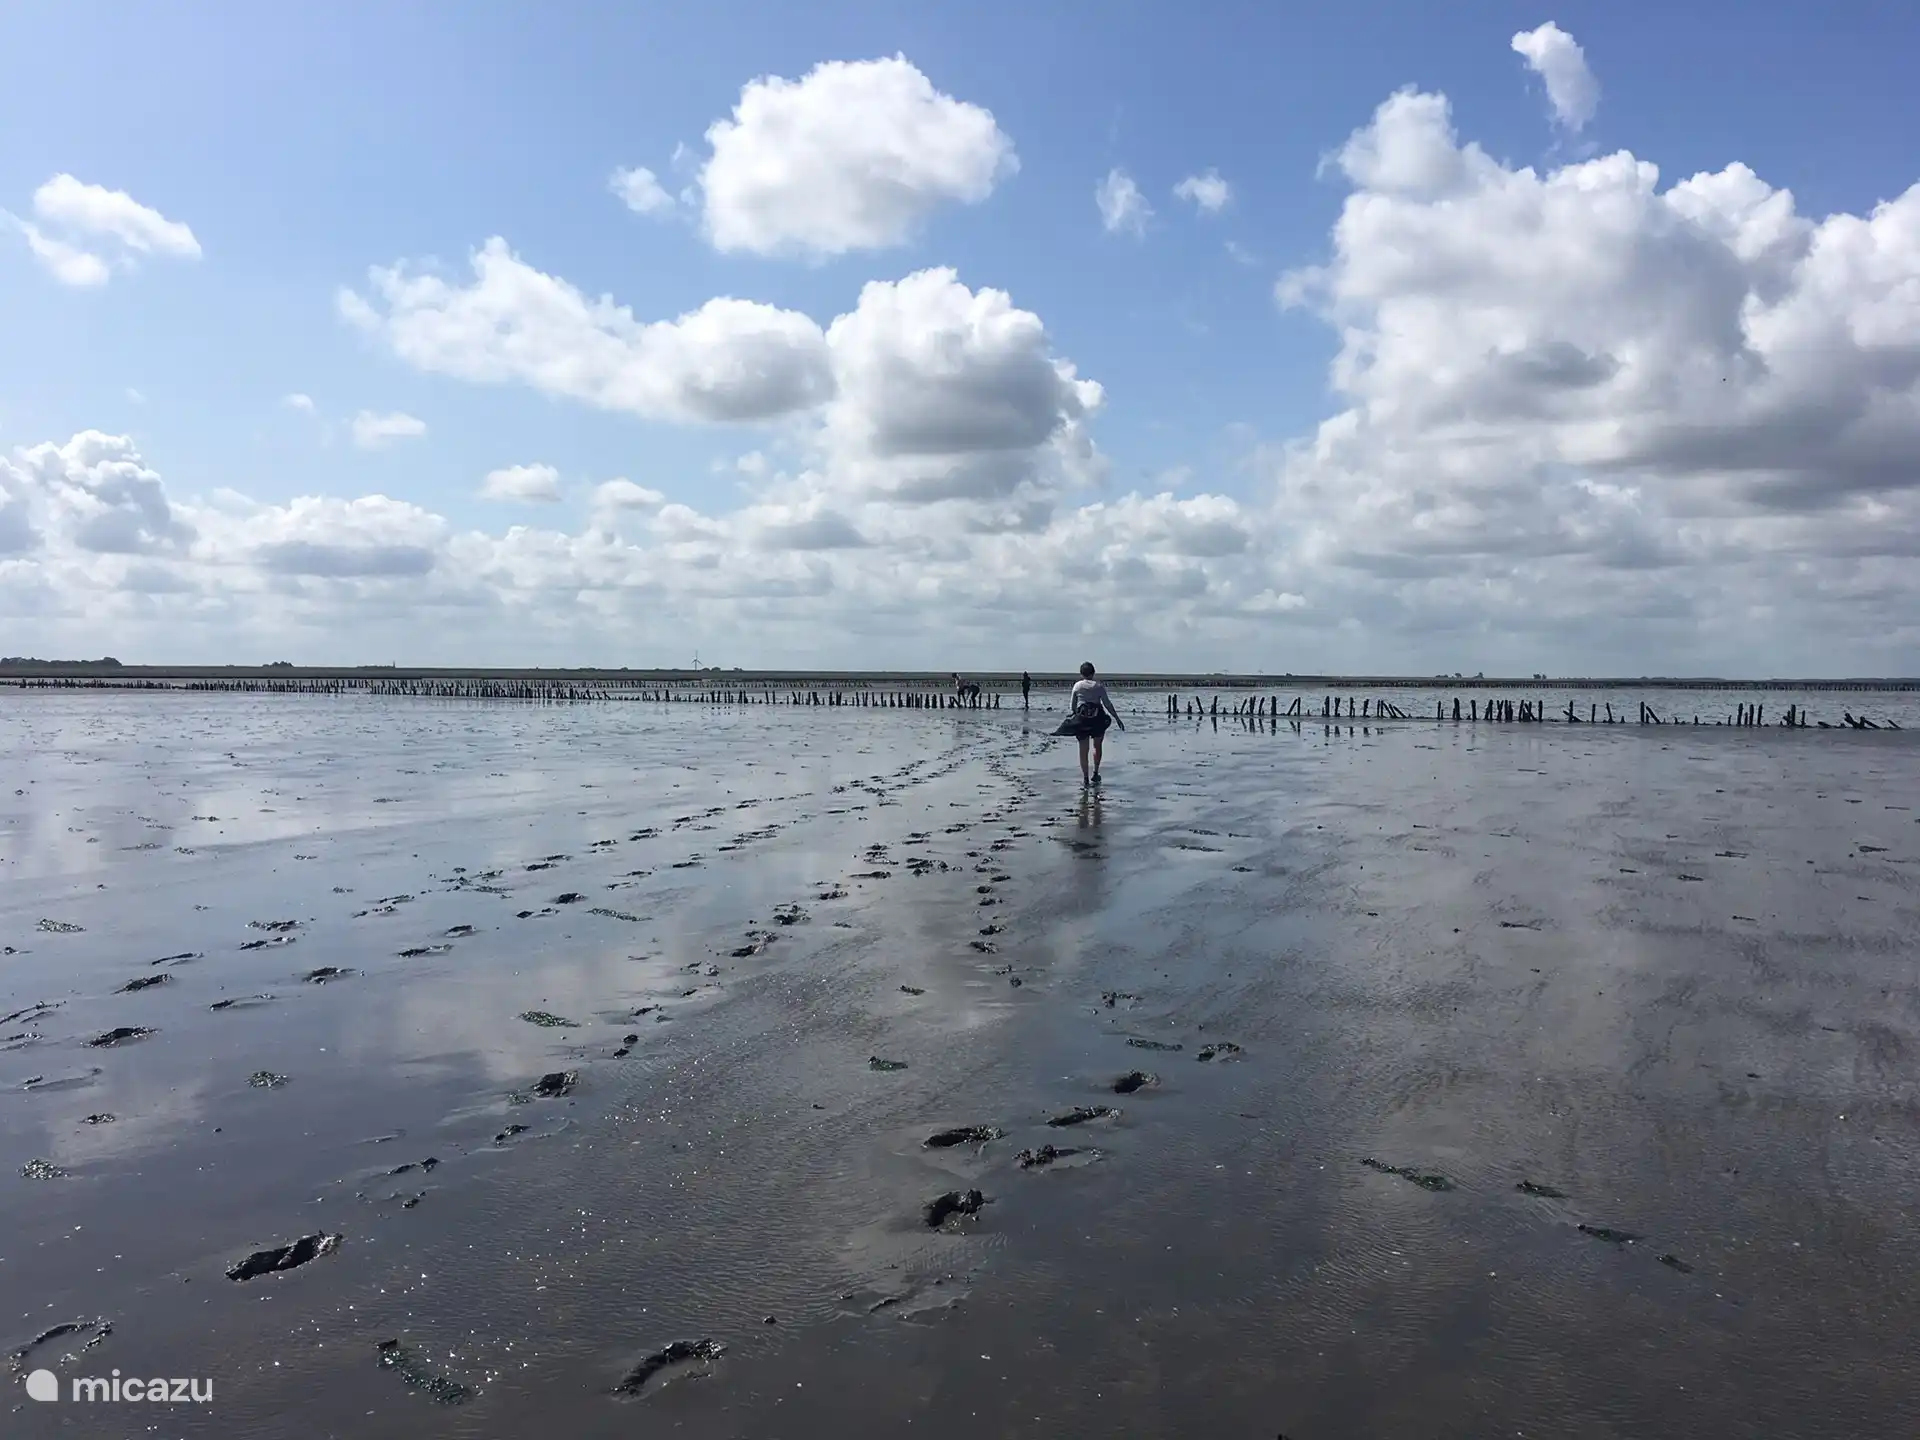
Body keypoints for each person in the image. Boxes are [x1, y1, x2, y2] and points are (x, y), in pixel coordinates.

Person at [1052, 661, 1124, 785]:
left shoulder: (1077, 686)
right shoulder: (1098, 686)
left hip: (1082, 720)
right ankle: (1095, 773)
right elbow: (1107, 704)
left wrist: (1074, 714)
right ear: (1093, 673)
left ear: (1081, 673)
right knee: (1097, 746)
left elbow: (1073, 706)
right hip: (1098, 720)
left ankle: (1085, 778)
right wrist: (1117, 718)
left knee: (1083, 750)